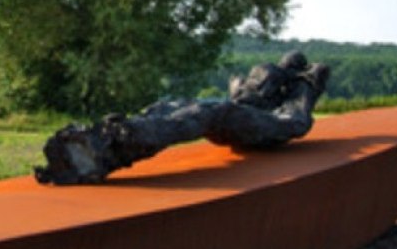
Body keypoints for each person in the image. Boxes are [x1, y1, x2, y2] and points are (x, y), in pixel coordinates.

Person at [34, 52, 330, 185]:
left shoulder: (290, 107)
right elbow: (240, 94)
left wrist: (306, 83)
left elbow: (295, 120)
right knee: (172, 105)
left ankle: (116, 144)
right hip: (236, 113)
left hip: (257, 129)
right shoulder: (261, 88)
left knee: (210, 113)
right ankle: (109, 141)